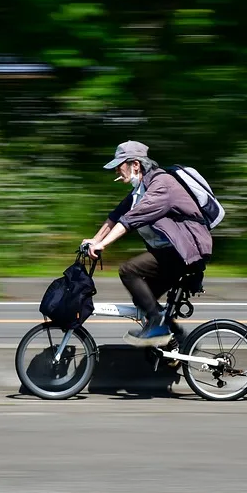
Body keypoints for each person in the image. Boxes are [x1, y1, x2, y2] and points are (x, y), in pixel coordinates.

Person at [83, 141, 212, 347]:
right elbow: (116, 216)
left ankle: (158, 325)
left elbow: (132, 219)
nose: (117, 169)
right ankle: (180, 341)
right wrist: (95, 240)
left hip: (186, 252)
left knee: (128, 270)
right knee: (144, 299)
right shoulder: (140, 189)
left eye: (120, 164)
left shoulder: (161, 185)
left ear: (135, 164)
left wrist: (103, 245)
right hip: (172, 253)